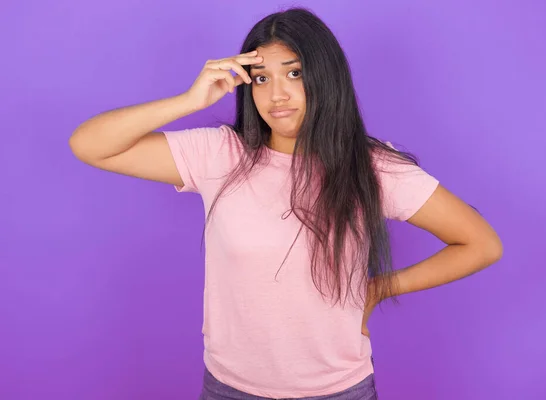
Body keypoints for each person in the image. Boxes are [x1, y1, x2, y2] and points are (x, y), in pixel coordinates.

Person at [69, 7, 503, 400]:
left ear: (324, 78)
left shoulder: (372, 167)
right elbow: (90, 145)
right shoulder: (220, 154)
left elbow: (481, 244)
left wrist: (380, 288)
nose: (277, 94)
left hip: (338, 391)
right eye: (262, 78)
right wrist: (189, 101)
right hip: (228, 388)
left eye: (294, 74)